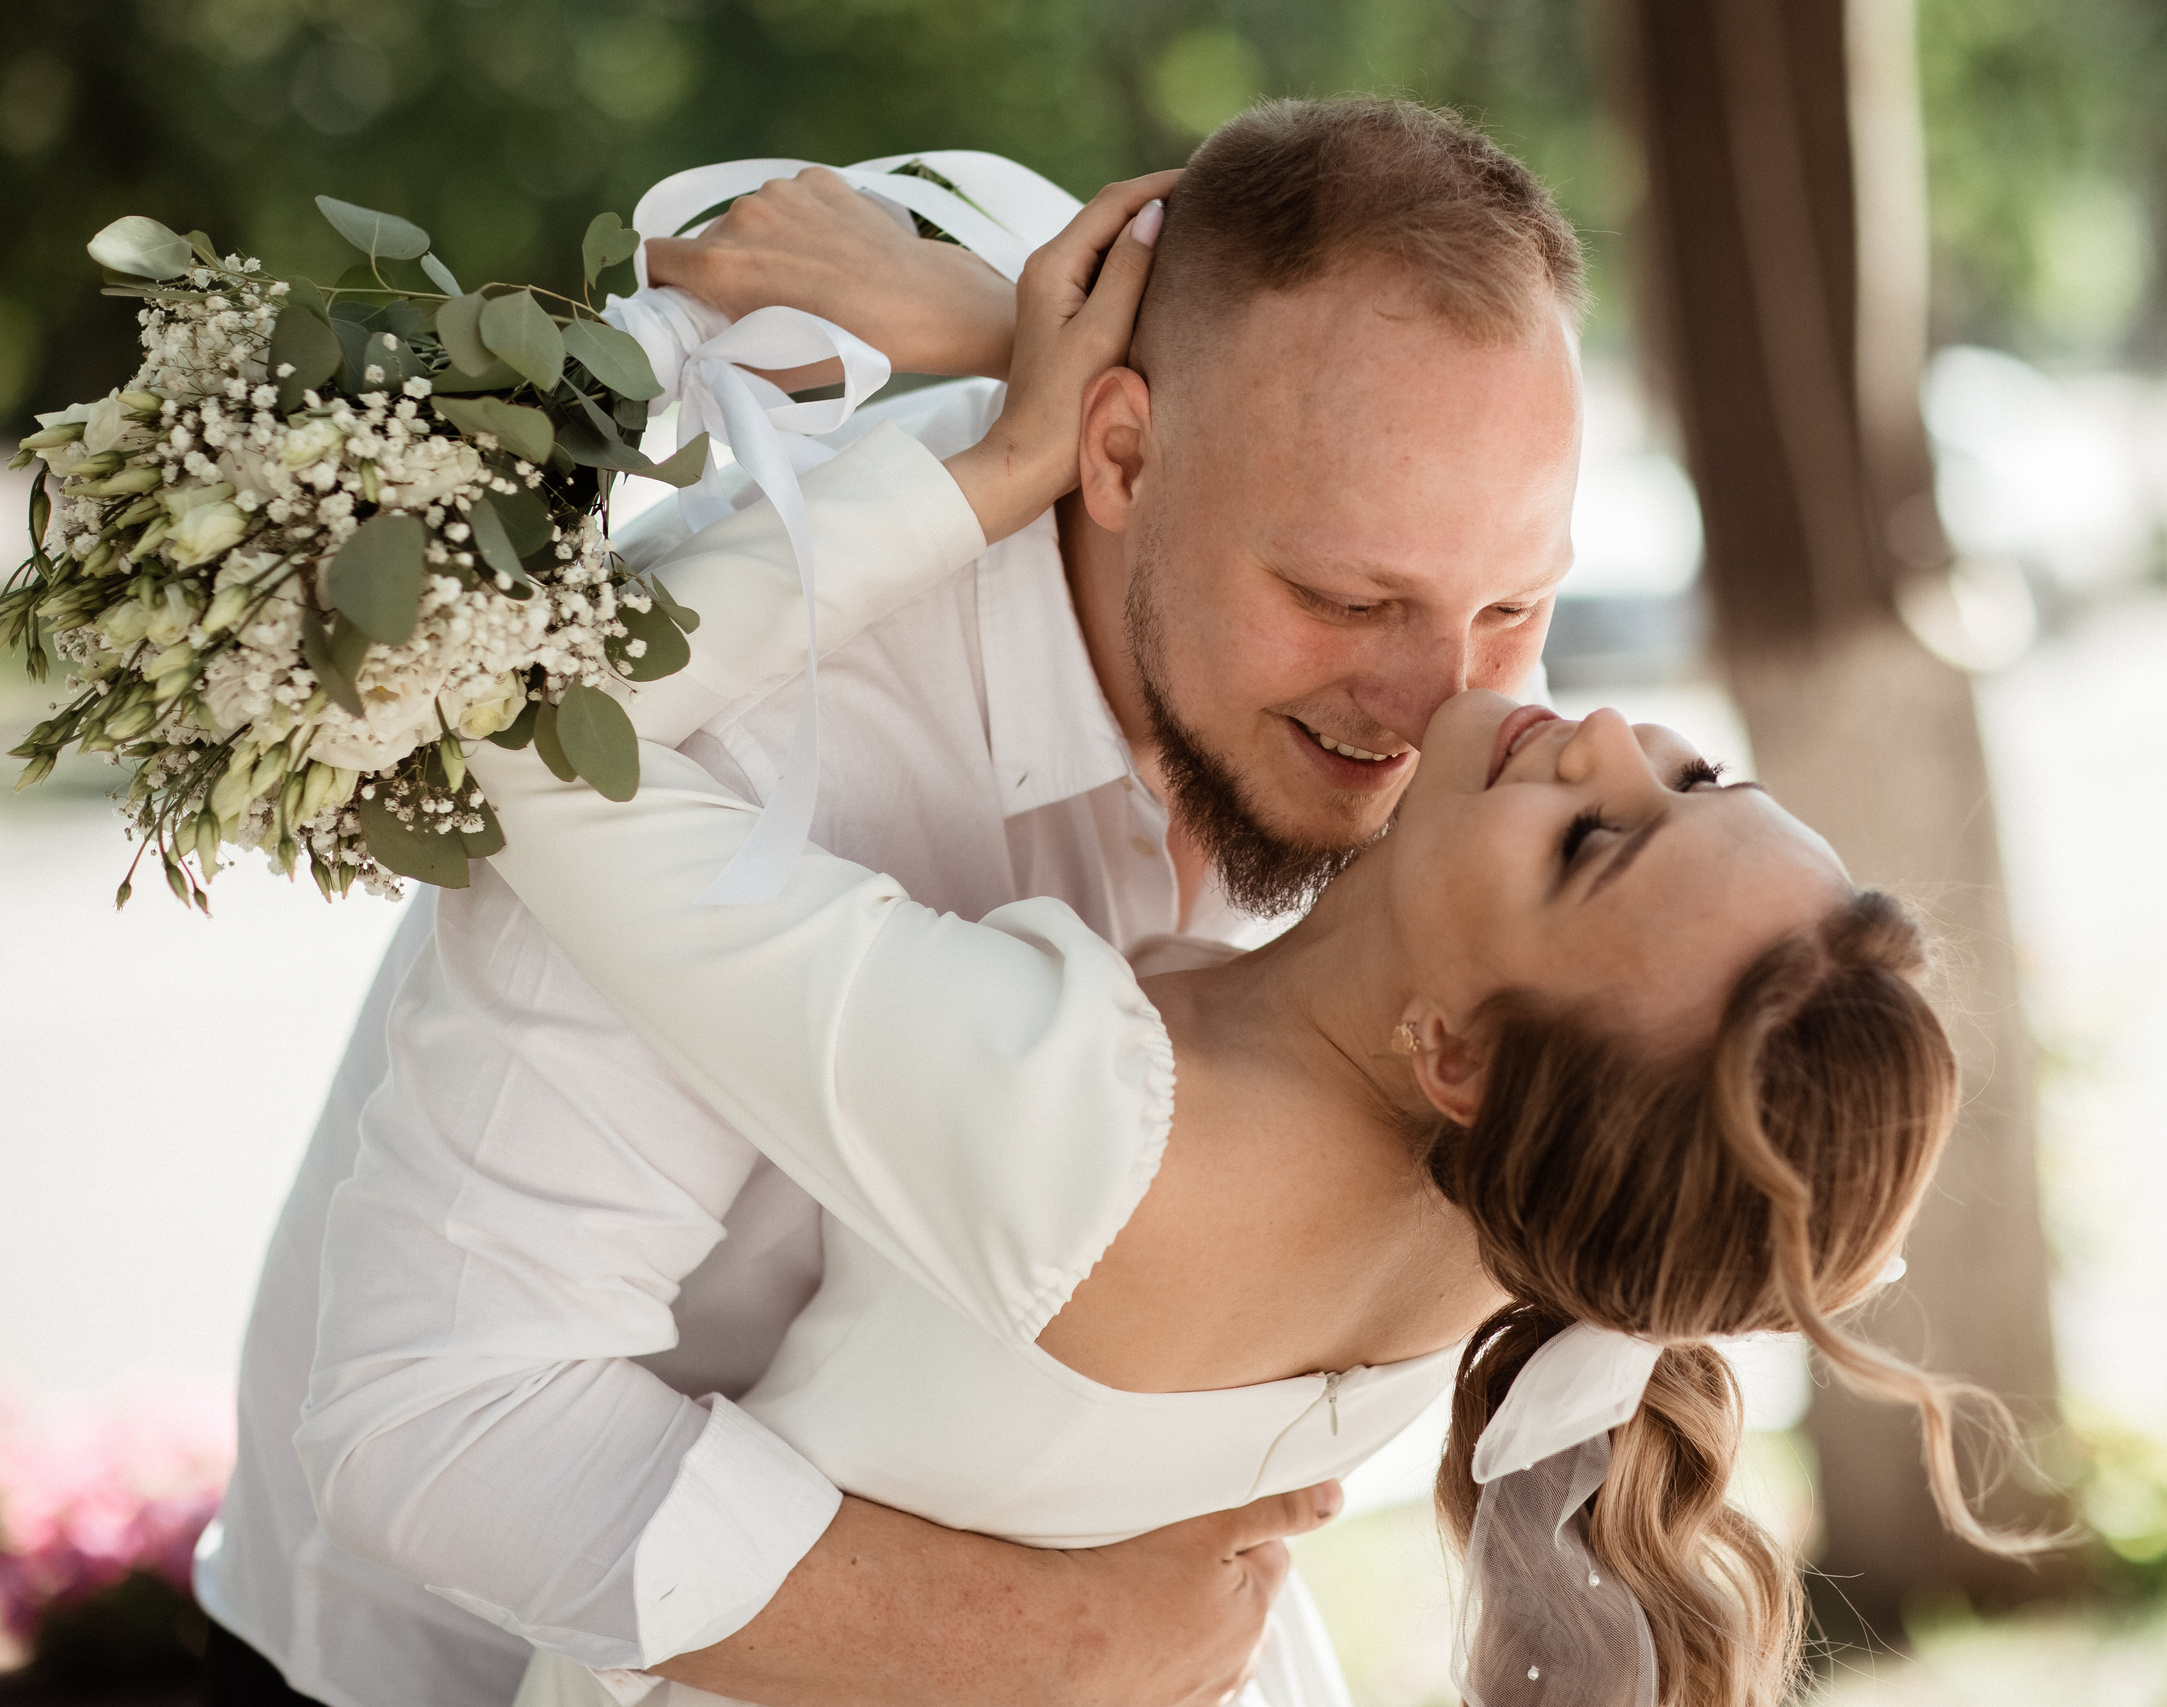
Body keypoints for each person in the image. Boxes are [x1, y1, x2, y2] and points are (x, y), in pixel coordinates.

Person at [453, 174, 1994, 1707]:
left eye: (1595, 844)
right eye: (1696, 778)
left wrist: (1007, 456)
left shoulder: (1070, 1122)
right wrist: (1039, 350)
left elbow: (534, 739)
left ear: (1454, 1053)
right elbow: (1366, 478)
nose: (1590, 729)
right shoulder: (1537, 1189)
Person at [198, 98, 1585, 1707]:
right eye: (1345, 600)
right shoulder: (746, 711)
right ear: (1118, 450)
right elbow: (433, 1420)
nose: (1441, 713)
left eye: (1513, 606)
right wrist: (1077, 1646)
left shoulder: (1428, 657)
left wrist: (999, 324)